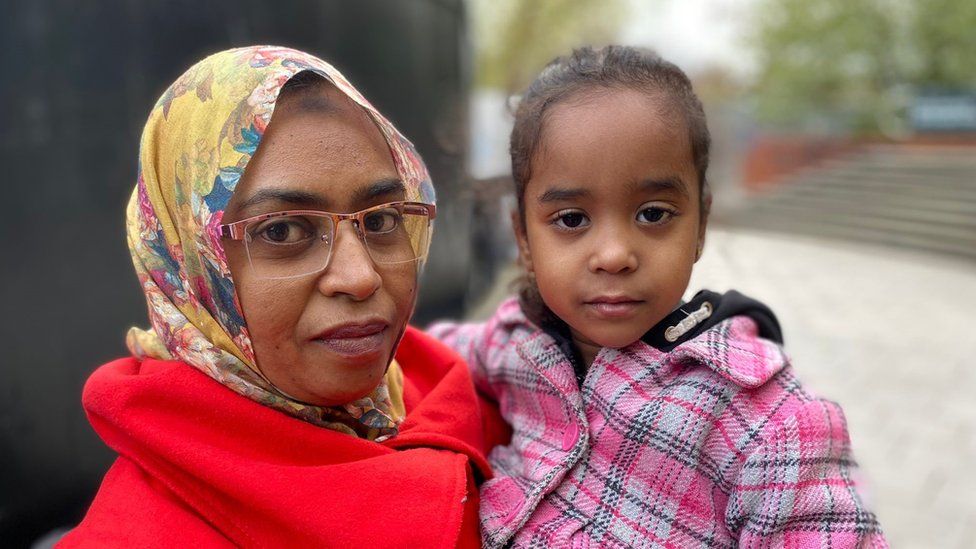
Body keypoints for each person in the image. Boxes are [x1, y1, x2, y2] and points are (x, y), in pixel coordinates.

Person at [429, 46, 887, 548]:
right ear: (524, 242)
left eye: (652, 213)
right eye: (572, 220)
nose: (614, 255)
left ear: (700, 227)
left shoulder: (769, 425)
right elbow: (423, 355)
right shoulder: (515, 344)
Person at [59, 45, 506, 548]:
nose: (360, 278)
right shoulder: (140, 534)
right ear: (191, 262)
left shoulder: (500, 408)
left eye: (381, 220)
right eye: (282, 231)